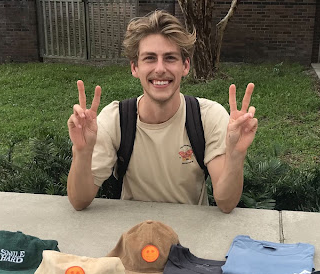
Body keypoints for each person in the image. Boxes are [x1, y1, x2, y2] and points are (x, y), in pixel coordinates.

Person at [67, 10, 258, 214]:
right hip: (133, 236)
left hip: (192, 236)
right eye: (150, 58)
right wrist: (82, 152)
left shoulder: (207, 116)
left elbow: (226, 203)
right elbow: (79, 201)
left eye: (170, 58)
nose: (159, 69)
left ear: (185, 66)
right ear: (135, 67)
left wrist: (237, 155)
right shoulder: (116, 119)